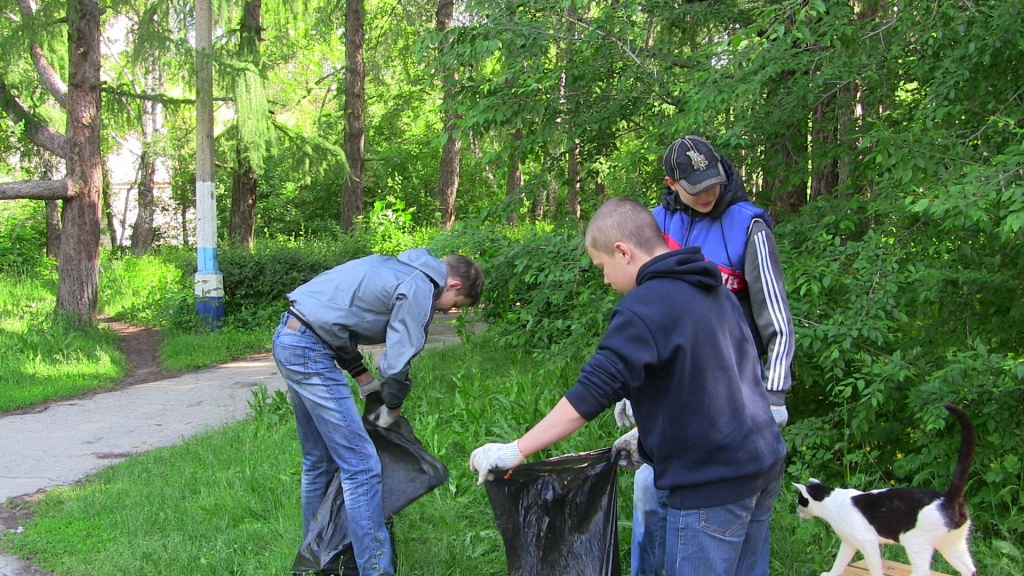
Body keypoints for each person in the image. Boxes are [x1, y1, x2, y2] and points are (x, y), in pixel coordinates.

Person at [470, 197, 787, 576]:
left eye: (602, 266)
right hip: (763, 462)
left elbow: (591, 393)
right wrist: (647, 436)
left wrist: (516, 449)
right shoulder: (714, 290)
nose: (605, 279)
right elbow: (716, 379)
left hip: (713, 482)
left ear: (623, 252)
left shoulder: (646, 307)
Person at [617, 135, 797, 575]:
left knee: (726, 523)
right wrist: (630, 386)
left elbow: (777, 319)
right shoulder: (653, 227)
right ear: (671, 184)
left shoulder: (747, 226)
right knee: (648, 495)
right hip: (669, 397)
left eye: (713, 183)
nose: (708, 195)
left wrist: (774, 396)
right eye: (695, 189)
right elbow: (643, 318)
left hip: (733, 399)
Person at [273, 248, 483, 576]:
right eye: (454, 306)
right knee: (362, 466)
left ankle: (316, 558)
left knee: (320, 461)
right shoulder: (420, 288)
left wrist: (363, 378)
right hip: (310, 352)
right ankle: (376, 570)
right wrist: (393, 408)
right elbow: (397, 365)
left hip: (291, 335)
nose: (447, 312)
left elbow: (335, 317)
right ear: (453, 284)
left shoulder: (397, 267)